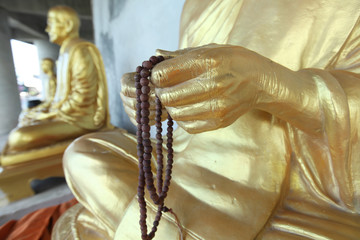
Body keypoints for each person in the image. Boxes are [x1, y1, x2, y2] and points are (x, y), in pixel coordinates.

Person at [53, 0, 360, 239]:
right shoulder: (199, 4)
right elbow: (195, 83)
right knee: (83, 155)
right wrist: (158, 98)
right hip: (186, 162)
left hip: (289, 192)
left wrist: (270, 85)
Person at [1, 6, 110, 157]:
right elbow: (59, 96)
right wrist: (45, 110)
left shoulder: (80, 50)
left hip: (80, 118)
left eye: (51, 23)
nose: (47, 28)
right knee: (26, 117)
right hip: (65, 113)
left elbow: (83, 97)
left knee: (19, 137)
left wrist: (50, 114)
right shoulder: (65, 51)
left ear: (68, 25)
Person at [18, 58, 57, 127]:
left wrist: (42, 106)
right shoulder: (49, 79)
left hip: (52, 105)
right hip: (48, 103)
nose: (42, 67)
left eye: (43, 64)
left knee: (28, 115)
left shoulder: (52, 79)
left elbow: (53, 99)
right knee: (27, 113)